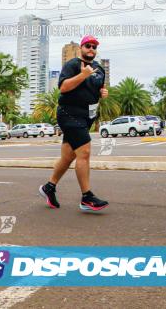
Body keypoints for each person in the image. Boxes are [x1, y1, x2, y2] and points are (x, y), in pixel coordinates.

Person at [39, 35, 109, 212]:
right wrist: (82, 75)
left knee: (68, 156)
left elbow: (96, 87)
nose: (91, 49)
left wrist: (102, 92)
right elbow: (63, 87)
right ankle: (87, 197)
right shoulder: (72, 65)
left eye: (94, 46)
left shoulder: (100, 68)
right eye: (87, 46)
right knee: (84, 152)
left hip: (86, 117)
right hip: (69, 114)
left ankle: (49, 187)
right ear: (81, 48)